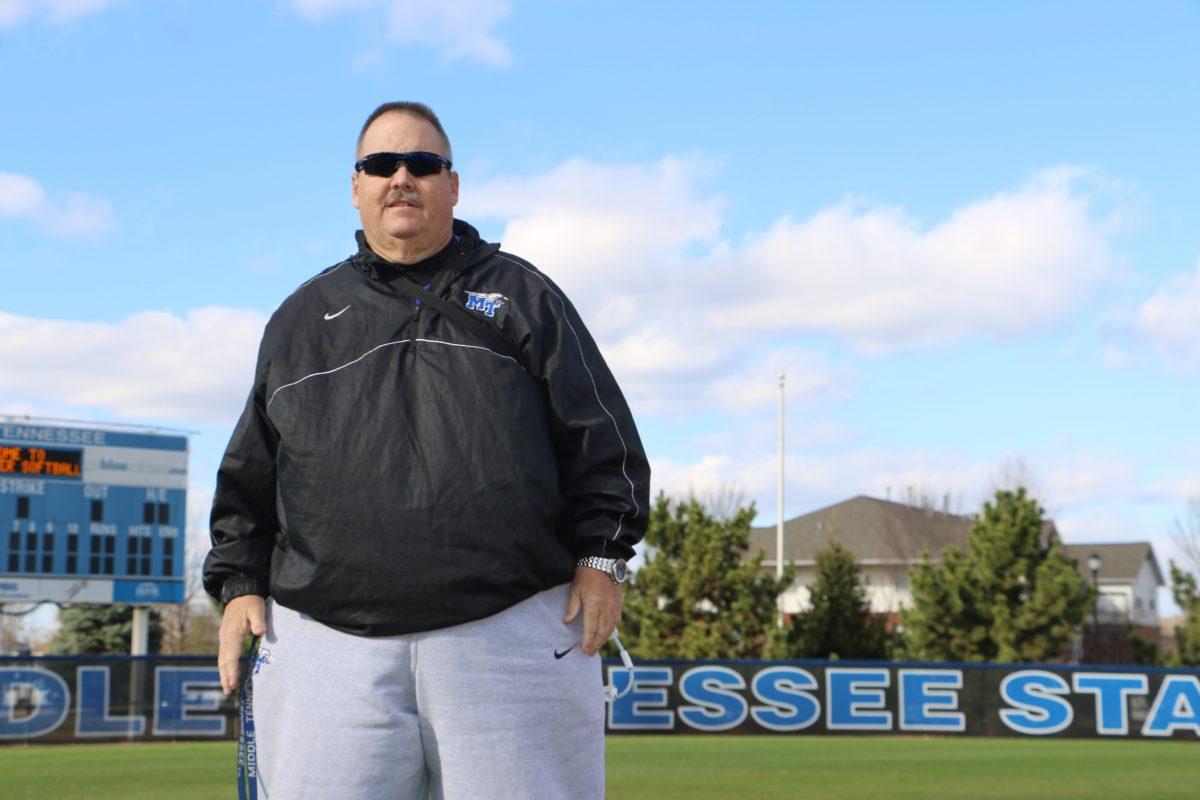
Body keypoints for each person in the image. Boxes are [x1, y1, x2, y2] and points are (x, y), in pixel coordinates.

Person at [202, 101, 650, 799]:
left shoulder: (524, 295)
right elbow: (250, 475)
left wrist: (602, 557)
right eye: (381, 164)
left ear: (454, 185)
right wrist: (238, 586)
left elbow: (605, 443)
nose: (401, 176)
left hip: (508, 635)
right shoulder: (300, 318)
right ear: (357, 187)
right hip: (326, 643)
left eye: (423, 163)